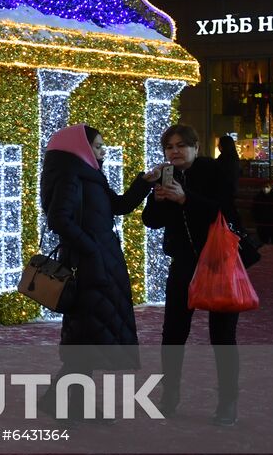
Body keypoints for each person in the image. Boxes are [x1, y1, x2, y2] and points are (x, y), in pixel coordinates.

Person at [37, 124, 157, 418]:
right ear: (79, 147)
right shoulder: (71, 175)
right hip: (86, 269)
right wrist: (92, 248)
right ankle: (65, 406)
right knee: (83, 341)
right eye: (98, 145)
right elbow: (59, 219)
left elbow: (118, 205)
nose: (103, 151)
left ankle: (70, 403)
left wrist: (144, 182)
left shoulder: (90, 175)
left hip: (99, 267)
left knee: (88, 340)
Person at [142, 125, 242, 426]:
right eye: (169, 146)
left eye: (181, 145)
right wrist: (158, 200)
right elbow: (151, 222)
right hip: (183, 262)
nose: (175, 151)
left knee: (222, 337)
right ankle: (169, 394)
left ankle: (227, 402)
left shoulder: (214, 172)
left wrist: (187, 199)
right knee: (173, 333)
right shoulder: (165, 175)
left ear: (196, 147)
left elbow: (225, 212)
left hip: (218, 262)